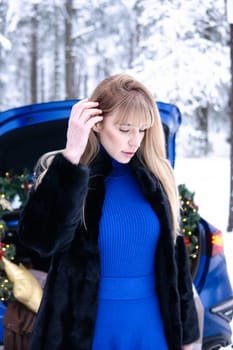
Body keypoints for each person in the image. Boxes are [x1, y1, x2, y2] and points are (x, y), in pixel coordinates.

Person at [19, 74, 200, 350]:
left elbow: (176, 267)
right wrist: (72, 155)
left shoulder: (157, 180)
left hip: (150, 330)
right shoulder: (71, 175)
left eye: (142, 130)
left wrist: (187, 337)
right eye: (125, 129)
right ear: (97, 123)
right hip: (86, 333)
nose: (135, 141)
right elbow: (39, 240)